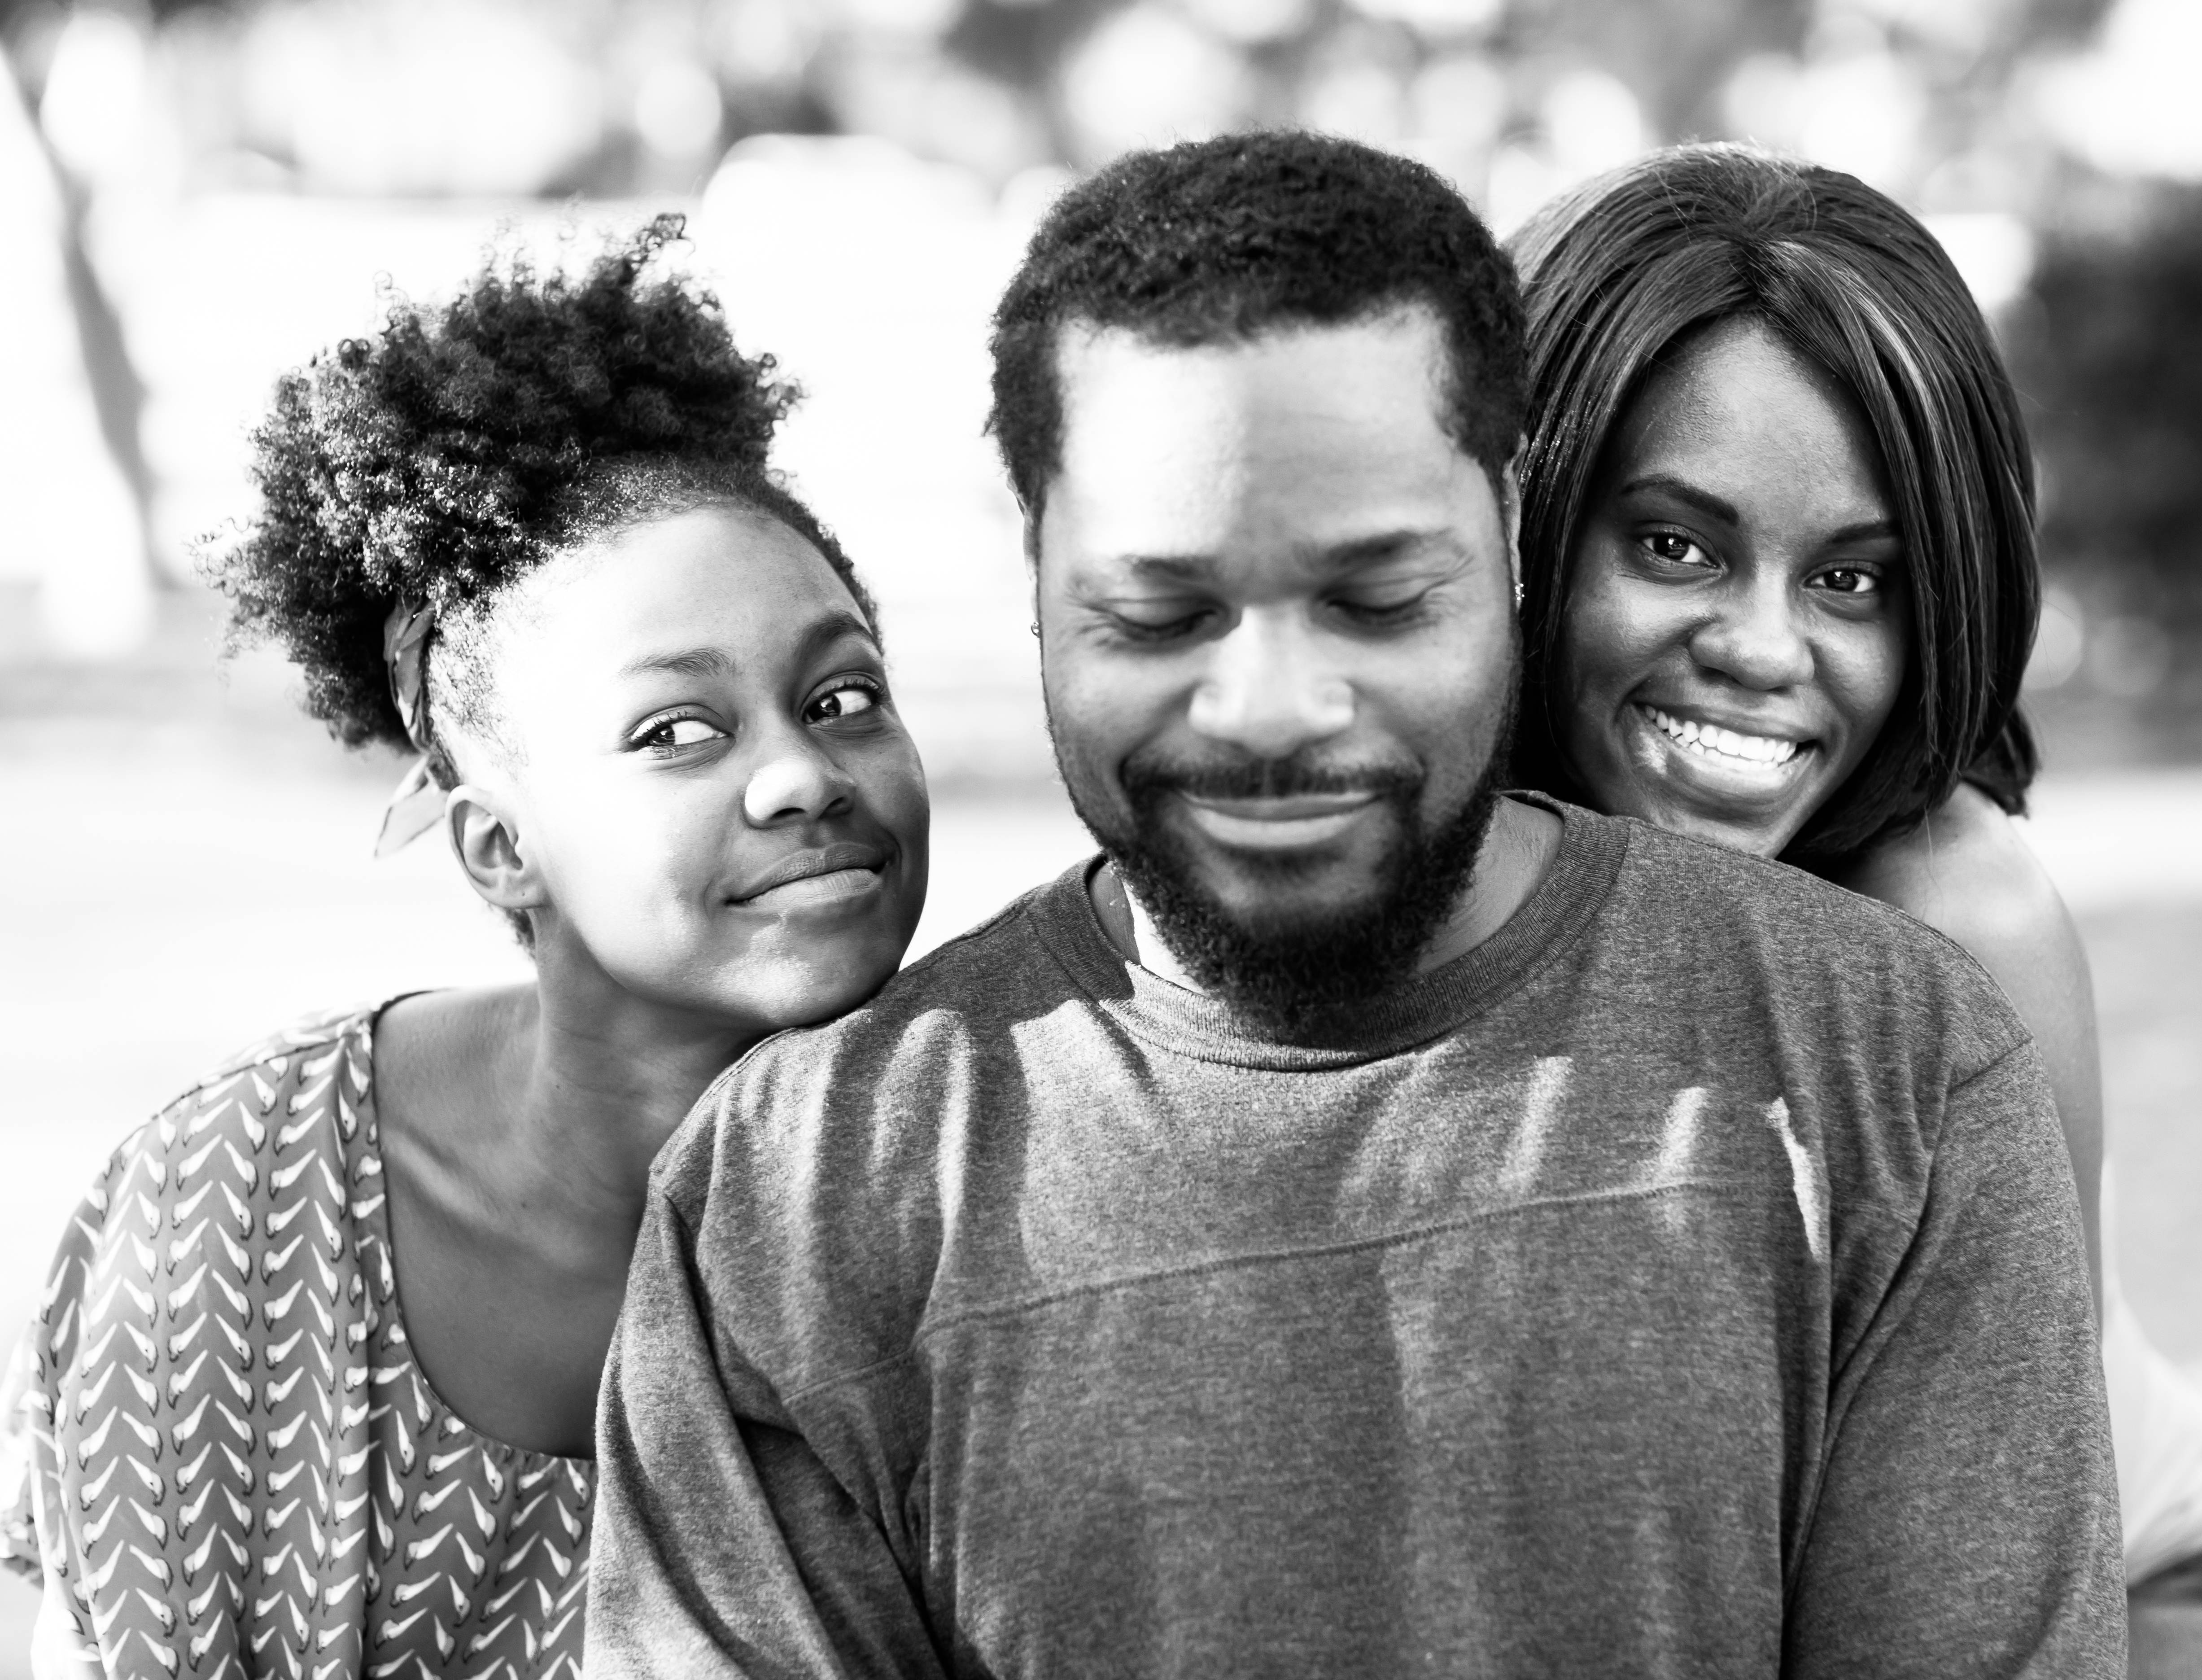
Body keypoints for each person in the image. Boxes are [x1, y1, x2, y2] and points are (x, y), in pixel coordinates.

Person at [586, 132, 2122, 1679]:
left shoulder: (1907, 1031)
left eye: (1376, 599)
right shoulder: (796, 1189)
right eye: (1158, 608)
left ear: (1497, 535)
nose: (1268, 707)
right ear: (1033, 576)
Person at [0, 218, 930, 1679]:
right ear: (497, 844)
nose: (802, 775)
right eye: (676, 730)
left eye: (843, 697)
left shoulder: (1009, 1170)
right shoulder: (235, 1218)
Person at [1506, 144, 2202, 1680]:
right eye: (1673, 545)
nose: (1761, 649)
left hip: (2129, 1592)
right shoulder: (1441, 867)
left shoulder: (1956, 923)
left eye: (1853, 581)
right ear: (1524, 516)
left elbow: (2016, 1530)